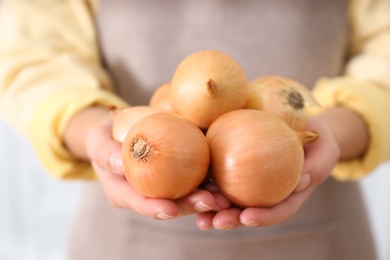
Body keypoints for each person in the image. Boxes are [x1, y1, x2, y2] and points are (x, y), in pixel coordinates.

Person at [0, 0, 389, 259]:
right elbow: (30, 55)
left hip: (323, 227)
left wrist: (335, 131)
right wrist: (90, 132)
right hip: (123, 232)